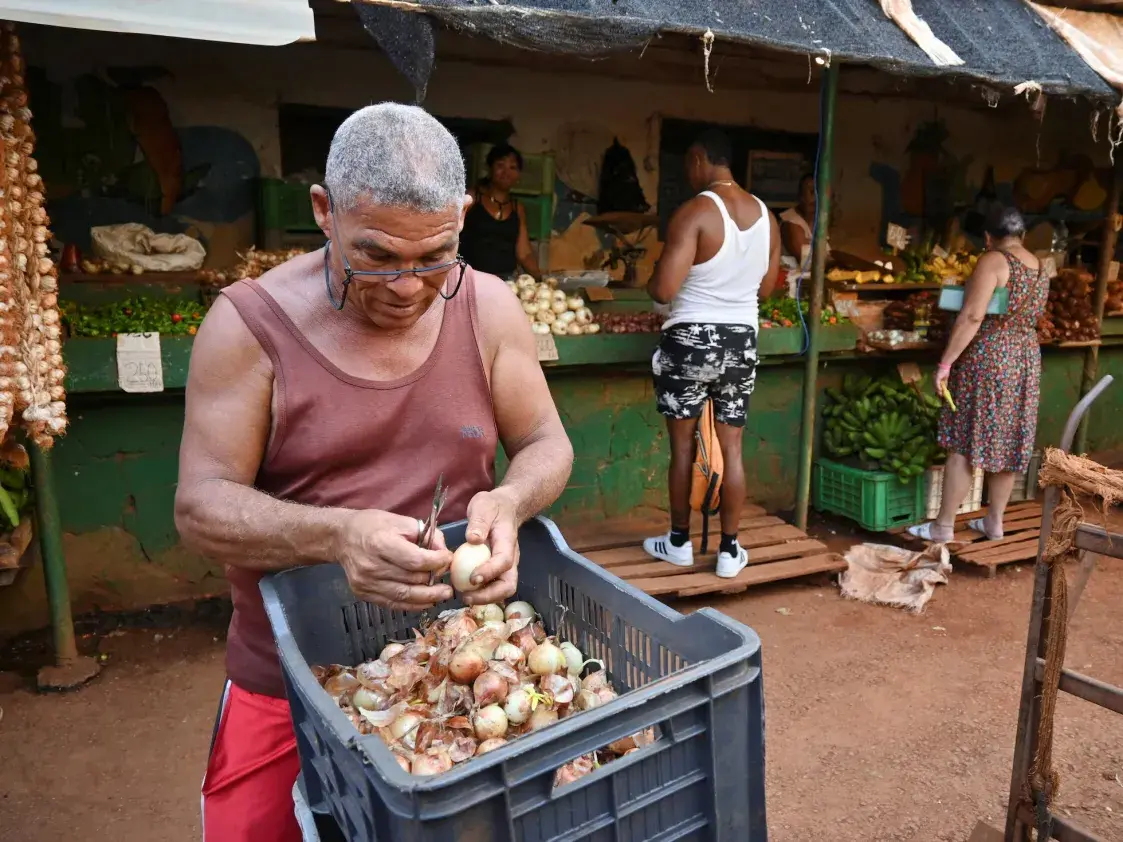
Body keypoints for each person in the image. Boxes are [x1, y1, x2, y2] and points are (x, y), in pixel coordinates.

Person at [175, 103, 573, 842]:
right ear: (322, 212)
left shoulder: (487, 306)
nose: (407, 287)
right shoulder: (247, 325)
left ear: (459, 218)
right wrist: (337, 537)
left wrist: (511, 499)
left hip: (458, 659)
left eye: (434, 258)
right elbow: (199, 506)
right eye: (377, 257)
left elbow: (547, 440)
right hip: (289, 679)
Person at [642, 130, 781, 579]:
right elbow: (766, 289)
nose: (688, 173)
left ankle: (679, 542)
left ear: (700, 159)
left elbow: (664, 289)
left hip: (691, 338)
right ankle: (729, 551)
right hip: (741, 339)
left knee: (683, 447)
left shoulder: (696, 211)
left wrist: (651, 282)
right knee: (733, 447)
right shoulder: (769, 219)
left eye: (689, 164)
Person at [908, 205, 1046, 543]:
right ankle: (994, 522)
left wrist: (945, 364)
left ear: (988, 237)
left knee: (964, 440)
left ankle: (942, 527)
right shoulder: (1041, 266)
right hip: (1025, 358)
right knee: (1011, 441)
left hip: (989, 357)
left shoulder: (992, 261)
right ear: (1023, 236)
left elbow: (972, 316)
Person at [458, 142, 543, 280]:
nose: (506, 172)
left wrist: (541, 279)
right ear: (489, 168)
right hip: (468, 280)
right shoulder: (472, 198)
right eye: (500, 165)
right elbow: (449, 234)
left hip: (504, 283)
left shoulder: (517, 208)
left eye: (512, 167)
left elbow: (524, 253)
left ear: (518, 175)